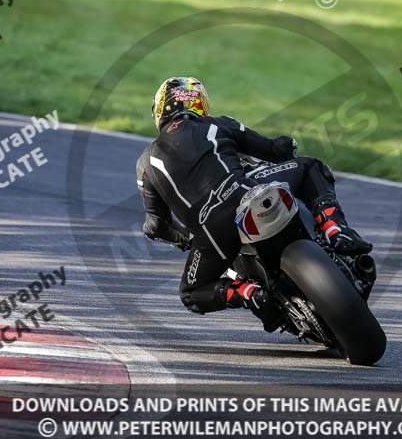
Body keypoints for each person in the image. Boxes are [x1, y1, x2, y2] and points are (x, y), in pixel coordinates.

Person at [136, 76, 372, 327]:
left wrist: (185, 238)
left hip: (213, 232)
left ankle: (249, 293)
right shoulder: (220, 125)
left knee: (191, 293)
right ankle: (335, 229)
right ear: (200, 105)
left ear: (160, 110)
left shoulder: (144, 164)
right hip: (247, 193)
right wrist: (288, 143)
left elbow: (156, 226)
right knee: (311, 166)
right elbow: (275, 150)